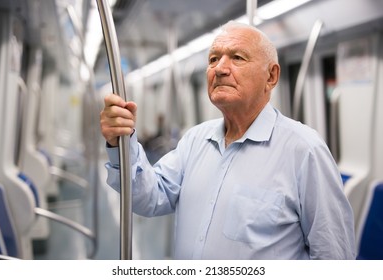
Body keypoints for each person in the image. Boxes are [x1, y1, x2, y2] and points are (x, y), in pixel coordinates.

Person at [100, 21, 356, 259]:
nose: (220, 69)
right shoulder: (196, 140)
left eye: (237, 57)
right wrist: (121, 141)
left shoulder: (304, 150)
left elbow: (333, 257)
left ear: (271, 77)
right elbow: (149, 197)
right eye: (213, 59)